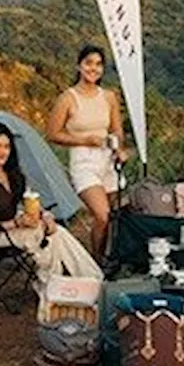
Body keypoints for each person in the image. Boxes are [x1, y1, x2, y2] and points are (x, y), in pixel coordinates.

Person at [0, 122, 102, 320]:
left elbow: (31, 203)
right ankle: (53, 288)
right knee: (39, 234)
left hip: (19, 232)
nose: (2, 151)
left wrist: (46, 216)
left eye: (6, 146)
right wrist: (15, 224)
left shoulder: (14, 176)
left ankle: (92, 280)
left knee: (56, 232)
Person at [46, 44, 128, 259]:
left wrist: (119, 148)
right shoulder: (68, 98)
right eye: (89, 63)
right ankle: (96, 263)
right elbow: (53, 134)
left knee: (114, 217)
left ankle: (109, 259)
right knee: (102, 215)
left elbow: (117, 129)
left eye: (99, 64)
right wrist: (84, 140)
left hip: (108, 158)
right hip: (83, 161)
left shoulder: (109, 96)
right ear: (79, 66)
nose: (94, 68)